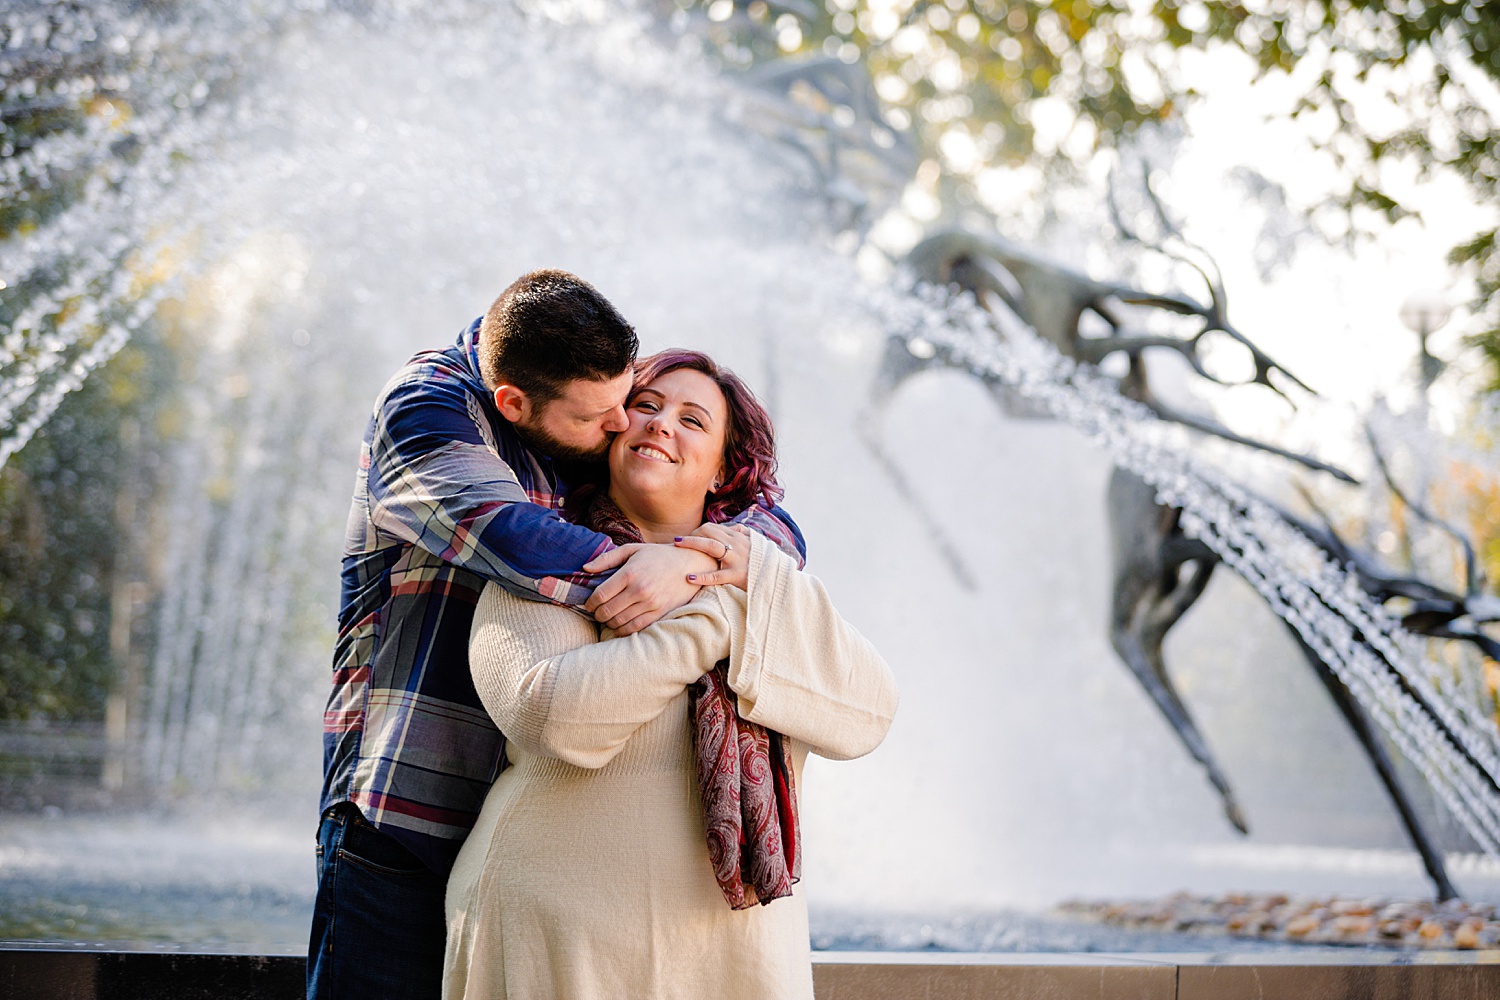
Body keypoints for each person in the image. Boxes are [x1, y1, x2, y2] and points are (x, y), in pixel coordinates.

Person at [308, 273, 805, 1000]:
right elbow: (517, 539)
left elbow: (771, 519)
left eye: (626, 401)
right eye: (606, 416)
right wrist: (680, 577)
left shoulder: (571, 400)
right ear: (515, 404)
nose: (621, 427)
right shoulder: (424, 411)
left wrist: (696, 554)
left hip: (518, 820)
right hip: (405, 812)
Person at [444, 350, 898, 1000]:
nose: (661, 425)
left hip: (735, 950)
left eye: (693, 419)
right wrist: (714, 618)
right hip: (561, 937)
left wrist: (719, 584)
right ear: (610, 433)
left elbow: (867, 714)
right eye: (646, 407)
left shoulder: (771, 584)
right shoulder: (544, 566)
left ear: (722, 468)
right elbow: (554, 715)